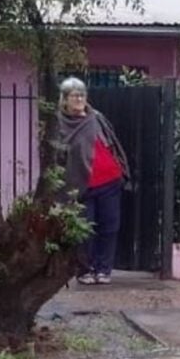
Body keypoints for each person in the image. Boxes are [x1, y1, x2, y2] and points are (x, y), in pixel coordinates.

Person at [57, 77, 130, 285]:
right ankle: (84, 270)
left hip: (110, 181)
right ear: (65, 99)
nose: (80, 98)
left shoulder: (96, 117)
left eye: (82, 94)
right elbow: (58, 156)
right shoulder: (60, 123)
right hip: (81, 186)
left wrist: (121, 168)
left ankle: (103, 269)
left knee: (109, 226)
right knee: (83, 230)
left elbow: (112, 142)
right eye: (74, 95)